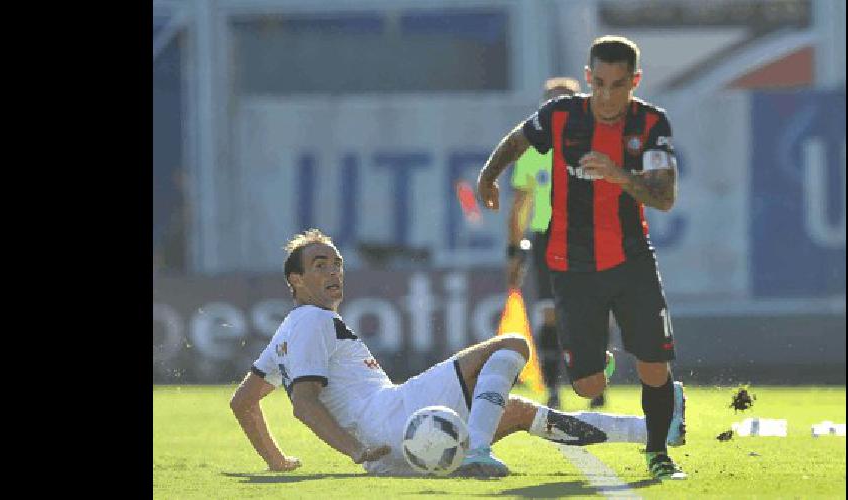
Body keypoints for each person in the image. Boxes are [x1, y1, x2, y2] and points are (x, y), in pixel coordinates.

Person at [230, 228, 686, 478]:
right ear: (295, 281)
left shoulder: (289, 331)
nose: (333, 271)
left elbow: (243, 402)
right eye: (319, 265)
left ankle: (656, 428)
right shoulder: (313, 320)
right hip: (391, 418)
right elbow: (303, 403)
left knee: (518, 412)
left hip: (394, 443)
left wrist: (276, 461)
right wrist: (356, 450)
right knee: (511, 345)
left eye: (336, 263)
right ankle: (477, 451)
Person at [476, 35, 688, 480]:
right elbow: (518, 140)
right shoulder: (561, 116)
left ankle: (658, 453)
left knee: (654, 365)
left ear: (635, 81)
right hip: (571, 265)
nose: (608, 96)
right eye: (601, 83)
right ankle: (598, 360)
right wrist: (488, 177)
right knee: (588, 384)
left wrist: (617, 174)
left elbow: (664, 197)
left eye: (619, 85)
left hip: (632, 261)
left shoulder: (650, 124)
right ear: (589, 78)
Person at [507, 76, 612, 410]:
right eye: (551, 102)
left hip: (587, 235)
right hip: (548, 238)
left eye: (563, 101)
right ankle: (553, 388)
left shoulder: (596, 147)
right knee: (549, 313)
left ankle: (596, 385)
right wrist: (514, 250)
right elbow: (519, 207)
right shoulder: (532, 153)